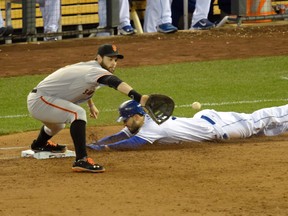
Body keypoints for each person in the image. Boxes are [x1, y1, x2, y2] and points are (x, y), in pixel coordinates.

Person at [27, 44, 149, 173]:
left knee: (58, 125)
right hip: (41, 100)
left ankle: (39, 144)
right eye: (110, 59)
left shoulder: (89, 67)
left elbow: (82, 86)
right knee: (77, 113)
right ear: (99, 58)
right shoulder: (94, 70)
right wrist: (139, 98)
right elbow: (115, 82)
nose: (113, 63)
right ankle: (81, 160)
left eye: (115, 60)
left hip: (43, 99)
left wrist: (91, 104)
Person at [87, 100, 288, 151]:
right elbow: (120, 137)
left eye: (125, 119)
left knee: (260, 119)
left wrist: (105, 148)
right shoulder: (140, 124)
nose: (124, 123)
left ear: (138, 116)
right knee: (263, 132)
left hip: (220, 127)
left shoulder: (151, 128)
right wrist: (96, 146)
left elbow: (131, 144)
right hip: (204, 117)